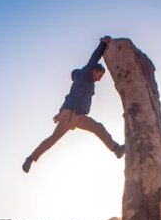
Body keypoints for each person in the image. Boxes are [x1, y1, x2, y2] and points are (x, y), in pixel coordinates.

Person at [22, 36, 125, 173]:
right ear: (93, 71)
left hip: (77, 117)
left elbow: (69, 97)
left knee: (96, 128)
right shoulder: (85, 74)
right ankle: (30, 158)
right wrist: (103, 44)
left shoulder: (85, 81)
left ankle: (116, 149)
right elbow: (94, 59)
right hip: (71, 115)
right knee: (54, 139)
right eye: (99, 76)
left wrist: (59, 113)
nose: (99, 79)